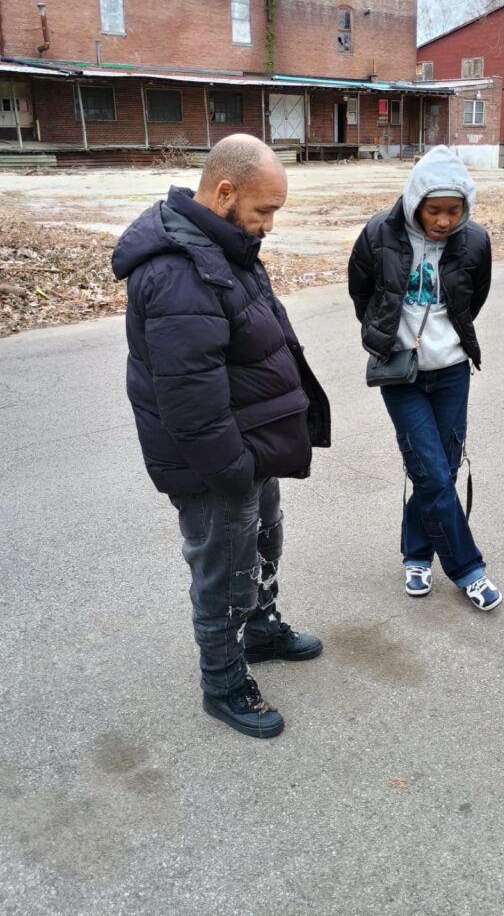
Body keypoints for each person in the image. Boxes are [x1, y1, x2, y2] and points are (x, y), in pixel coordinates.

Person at [111, 134, 330, 740]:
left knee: (261, 546)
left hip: (248, 447)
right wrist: (234, 469)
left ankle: (259, 630)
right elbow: (190, 400)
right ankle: (224, 681)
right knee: (223, 570)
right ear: (225, 191)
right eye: (265, 211)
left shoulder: (222, 244)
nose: (269, 225)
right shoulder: (179, 270)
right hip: (219, 461)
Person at [348, 145, 499, 611]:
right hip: (401, 375)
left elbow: (475, 297)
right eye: (434, 210)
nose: (443, 221)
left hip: (452, 372)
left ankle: (416, 554)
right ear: (416, 201)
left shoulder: (474, 240)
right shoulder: (379, 234)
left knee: (440, 472)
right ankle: (469, 569)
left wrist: (445, 341)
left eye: (454, 211)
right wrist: (385, 332)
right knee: (432, 473)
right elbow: (361, 290)